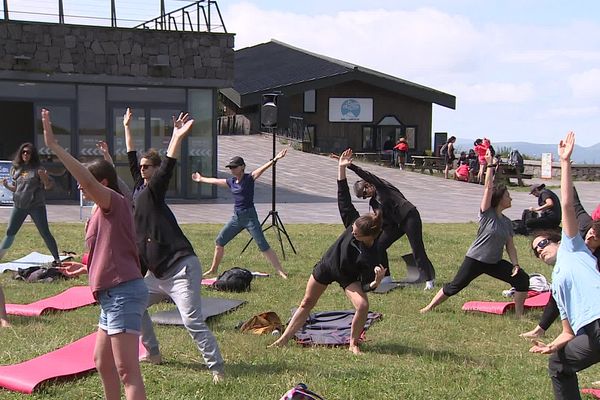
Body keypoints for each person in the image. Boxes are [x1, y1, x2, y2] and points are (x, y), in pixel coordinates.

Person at [41, 109, 148, 400]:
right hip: (111, 295)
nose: (80, 186)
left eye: (87, 182)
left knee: (128, 372)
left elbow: (86, 181)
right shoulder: (101, 212)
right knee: (102, 362)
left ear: (102, 183)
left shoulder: (116, 201)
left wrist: (54, 146)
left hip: (123, 293)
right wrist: (85, 265)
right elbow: (110, 249)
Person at [123, 108, 225, 383]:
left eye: (147, 167)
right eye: (141, 167)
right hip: (155, 276)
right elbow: (131, 156)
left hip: (181, 270)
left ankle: (217, 369)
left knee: (192, 322)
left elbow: (167, 166)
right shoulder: (137, 190)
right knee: (136, 305)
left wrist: (177, 136)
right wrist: (127, 127)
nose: (142, 169)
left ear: (154, 171)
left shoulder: (154, 191)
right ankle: (153, 353)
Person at [269, 149, 386, 354]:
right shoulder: (353, 222)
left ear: (369, 236)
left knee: (363, 305)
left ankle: (353, 343)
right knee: (306, 302)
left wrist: (376, 281)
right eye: (353, 230)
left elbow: (367, 285)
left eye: (356, 234)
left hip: (347, 276)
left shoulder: (373, 254)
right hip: (328, 265)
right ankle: (283, 339)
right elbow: (344, 197)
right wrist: (341, 168)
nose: (352, 233)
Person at [528, 132, 600, 400]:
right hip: (592, 335)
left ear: (558, 240)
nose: (541, 249)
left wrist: (565, 162)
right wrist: (549, 346)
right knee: (558, 364)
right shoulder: (556, 286)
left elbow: (568, 204)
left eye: (544, 242)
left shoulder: (574, 247)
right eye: (536, 250)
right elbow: (568, 332)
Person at [421, 149, 530, 316]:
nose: (511, 199)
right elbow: (488, 187)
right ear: (500, 199)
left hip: (494, 262)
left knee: (522, 279)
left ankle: (519, 314)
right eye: (508, 196)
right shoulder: (487, 214)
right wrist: (490, 165)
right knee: (454, 286)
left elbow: (510, 246)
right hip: (476, 259)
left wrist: (515, 265)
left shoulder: (507, 222)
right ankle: (429, 308)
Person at [192, 151, 288, 279]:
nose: (232, 169)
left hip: (250, 217)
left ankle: (281, 271)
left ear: (242, 167)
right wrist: (201, 179)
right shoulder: (231, 182)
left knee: (262, 244)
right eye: (230, 167)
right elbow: (215, 181)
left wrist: (275, 159)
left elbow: (262, 169)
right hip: (236, 218)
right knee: (220, 241)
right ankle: (213, 269)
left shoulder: (249, 178)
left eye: (234, 167)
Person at [520, 186, 600, 339]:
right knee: (560, 288)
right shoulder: (581, 229)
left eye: (543, 244)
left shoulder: (591, 240)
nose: (589, 239)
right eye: (537, 252)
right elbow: (574, 202)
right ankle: (540, 329)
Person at [348, 158, 436, 289]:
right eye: (363, 197)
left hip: (409, 216)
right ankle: (386, 277)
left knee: (417, 248)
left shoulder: (380, 185)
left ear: (367, 185)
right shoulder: (373, 203)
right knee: (379, 245)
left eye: (364, 193)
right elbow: (380, 220)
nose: (366, 196)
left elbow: (366, 174)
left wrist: (351, 166)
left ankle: (429, 280)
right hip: (395, 225)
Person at [0, 143, 60, 264]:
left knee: (45, 232)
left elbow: (48, 186)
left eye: (28, 152)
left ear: (33, 155)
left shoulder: (39, 168)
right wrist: (6, 185)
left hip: (36, 206)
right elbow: (16, 188)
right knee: (10, 232)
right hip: (19, 206)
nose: (26, 154)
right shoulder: (17, 168)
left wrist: (44, 177)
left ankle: (57, 259)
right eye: (24, 152)